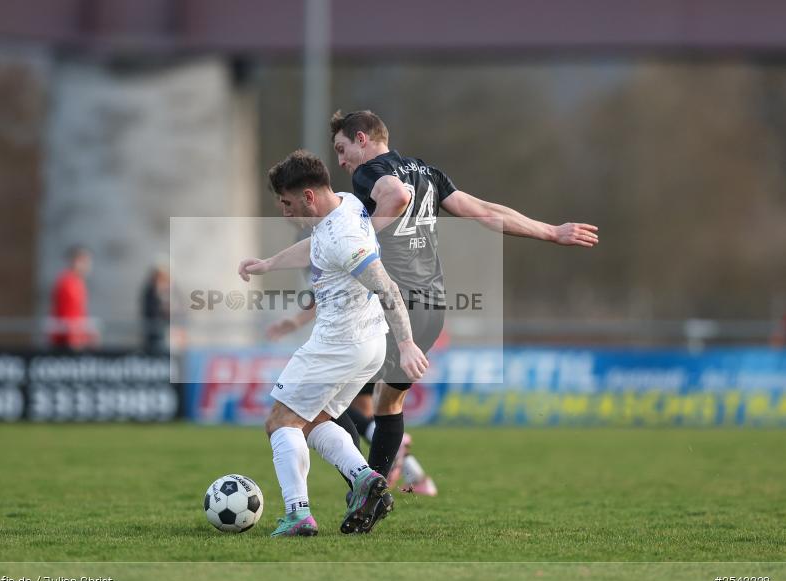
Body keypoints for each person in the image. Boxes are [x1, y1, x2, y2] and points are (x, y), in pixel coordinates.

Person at [328, 109, 599, 495]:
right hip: (432, 309)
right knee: (387, 405)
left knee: (327, 400)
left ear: (362, 139)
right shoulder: (428, 173)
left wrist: (357, 244)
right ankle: (373, 495)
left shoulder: (369, 172)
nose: (341, 161)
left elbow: (396, 195)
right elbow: (486, 213)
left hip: (394, 308)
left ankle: (364, 483)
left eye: (342, 149)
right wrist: (551, 231)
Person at [238, 150, 428, 537]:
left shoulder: (342, 237)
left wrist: (407, 344)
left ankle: (297, 514)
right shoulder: (348, 205)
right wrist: (269, 264)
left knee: (279, 422)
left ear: (308, 197)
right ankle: (364, 478)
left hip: (338, 343)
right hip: (366, 345)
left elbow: (386, 287)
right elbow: (314, 247)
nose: (285, 213)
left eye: (288, 204)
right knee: (315, 421)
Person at [49, 245, 96, 350]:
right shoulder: (68, 283)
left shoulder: (77, 282)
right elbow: (69, 315)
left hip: (73, 339)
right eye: (85, 261)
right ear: (76, 261)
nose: (88, 266)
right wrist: (75, 340)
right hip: (66, 342)